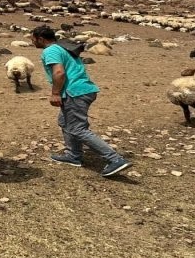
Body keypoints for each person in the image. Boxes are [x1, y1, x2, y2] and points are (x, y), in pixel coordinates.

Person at [28, 25, 131, 177]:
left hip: (74, 93)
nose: (32, 42)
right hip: (83, 90)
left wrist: (55, 93)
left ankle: (115, 159)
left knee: (77, 128)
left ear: (41, 39)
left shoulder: (50, 50)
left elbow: (59, 72)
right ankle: (73, 156)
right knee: (65, 122)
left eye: (33, 39)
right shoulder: (63, 48)